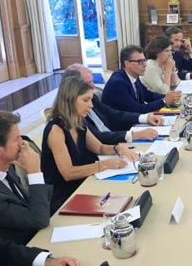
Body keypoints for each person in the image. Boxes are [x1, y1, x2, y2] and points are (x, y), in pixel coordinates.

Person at [42, 76, 137, 213]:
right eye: (85, 100)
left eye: (91, 99)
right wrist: (104, 165)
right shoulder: (55, 130)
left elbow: (98, 147)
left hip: (84, 184)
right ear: (69, 100)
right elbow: (68, 173)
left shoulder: (78, 122)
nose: (91, 105)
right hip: (64, 197)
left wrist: (118, 148)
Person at [0, 110, 52, 245]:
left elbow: (34, 206)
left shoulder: (6, 165)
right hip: (24, 251)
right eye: (16, 138)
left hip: (39, 236)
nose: (23, 143)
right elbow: (39, 220)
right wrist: (34, 171)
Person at [61, 66, 158, 145]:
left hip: (114, 141)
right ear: (73, 87)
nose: (93, 86)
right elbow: (98, 137)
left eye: (92, 81)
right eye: (89, 83)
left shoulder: (92, 97)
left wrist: (145, 118)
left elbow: (112, 113)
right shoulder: (72, 113)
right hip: (105, 148)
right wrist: (134, 135)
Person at [102, 45, 181, 114]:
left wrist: (171, 96)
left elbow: (149, 96)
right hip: (122, 128)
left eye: (144, 60)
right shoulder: (118, 83)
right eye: (140, 62)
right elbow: (137, 109)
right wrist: (164, 101)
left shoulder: (134, 76)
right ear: (127, 64)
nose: (145, 65)